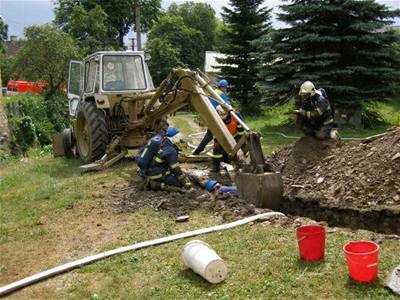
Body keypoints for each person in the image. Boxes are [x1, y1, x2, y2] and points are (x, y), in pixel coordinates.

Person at [192, 79, 232, 155]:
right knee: (211, 135)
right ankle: (198, 151)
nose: (226, 90)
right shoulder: (221, 94)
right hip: (217, 117)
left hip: (211, 115)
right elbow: (226, 105)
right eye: (226, 88)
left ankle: (198, 150)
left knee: (211, 134)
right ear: (222, 87)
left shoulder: (214, 92)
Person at [211, 106, 244, 172]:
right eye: (221, 115)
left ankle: (240, 165)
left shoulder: (235, 116)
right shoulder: (215, 118)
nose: (223, 117)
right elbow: (215, 131)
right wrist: (216, 141)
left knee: (238, 151)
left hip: (235, 136)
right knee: (217, 150)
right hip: (222, 136)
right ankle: (216, 167)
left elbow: (240, 128)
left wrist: (240, 140)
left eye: (224, 114)